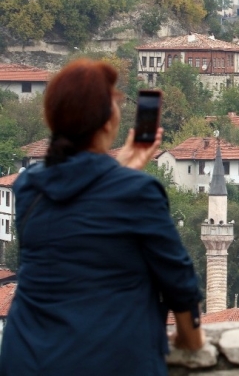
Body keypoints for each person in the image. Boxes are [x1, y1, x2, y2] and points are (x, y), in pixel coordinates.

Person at [0, 59, 204, 375]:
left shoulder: (29, 186)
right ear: (108, 121)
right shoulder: (138, 192)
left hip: (26, 356)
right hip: (109, 360)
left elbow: (77, 221)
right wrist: (192, 340)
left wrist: (119, 169)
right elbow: (177, 278)